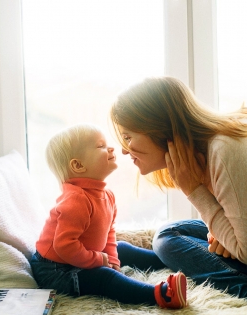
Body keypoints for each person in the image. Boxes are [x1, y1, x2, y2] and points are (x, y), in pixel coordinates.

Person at [110, 76, 247, 302]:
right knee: (169, 234)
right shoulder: (209, 150)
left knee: (167, 239)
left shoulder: (223, 150)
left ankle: (244, 290)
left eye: (128, 137)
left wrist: (194, 190)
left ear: (157, 128)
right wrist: (222, 234)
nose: (125, 150)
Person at [30, 123, 187, 309]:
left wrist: (111, 259)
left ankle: (173, 261)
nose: (111, 148)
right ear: (78, 165)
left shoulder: (107, 195)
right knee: (104, 277)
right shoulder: (75, 200)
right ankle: (160, 295)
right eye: (101, 146)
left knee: (122, 248)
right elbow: (64, 246)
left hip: (80, 255)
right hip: (55, 270)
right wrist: (98, 261)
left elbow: (108, 233)